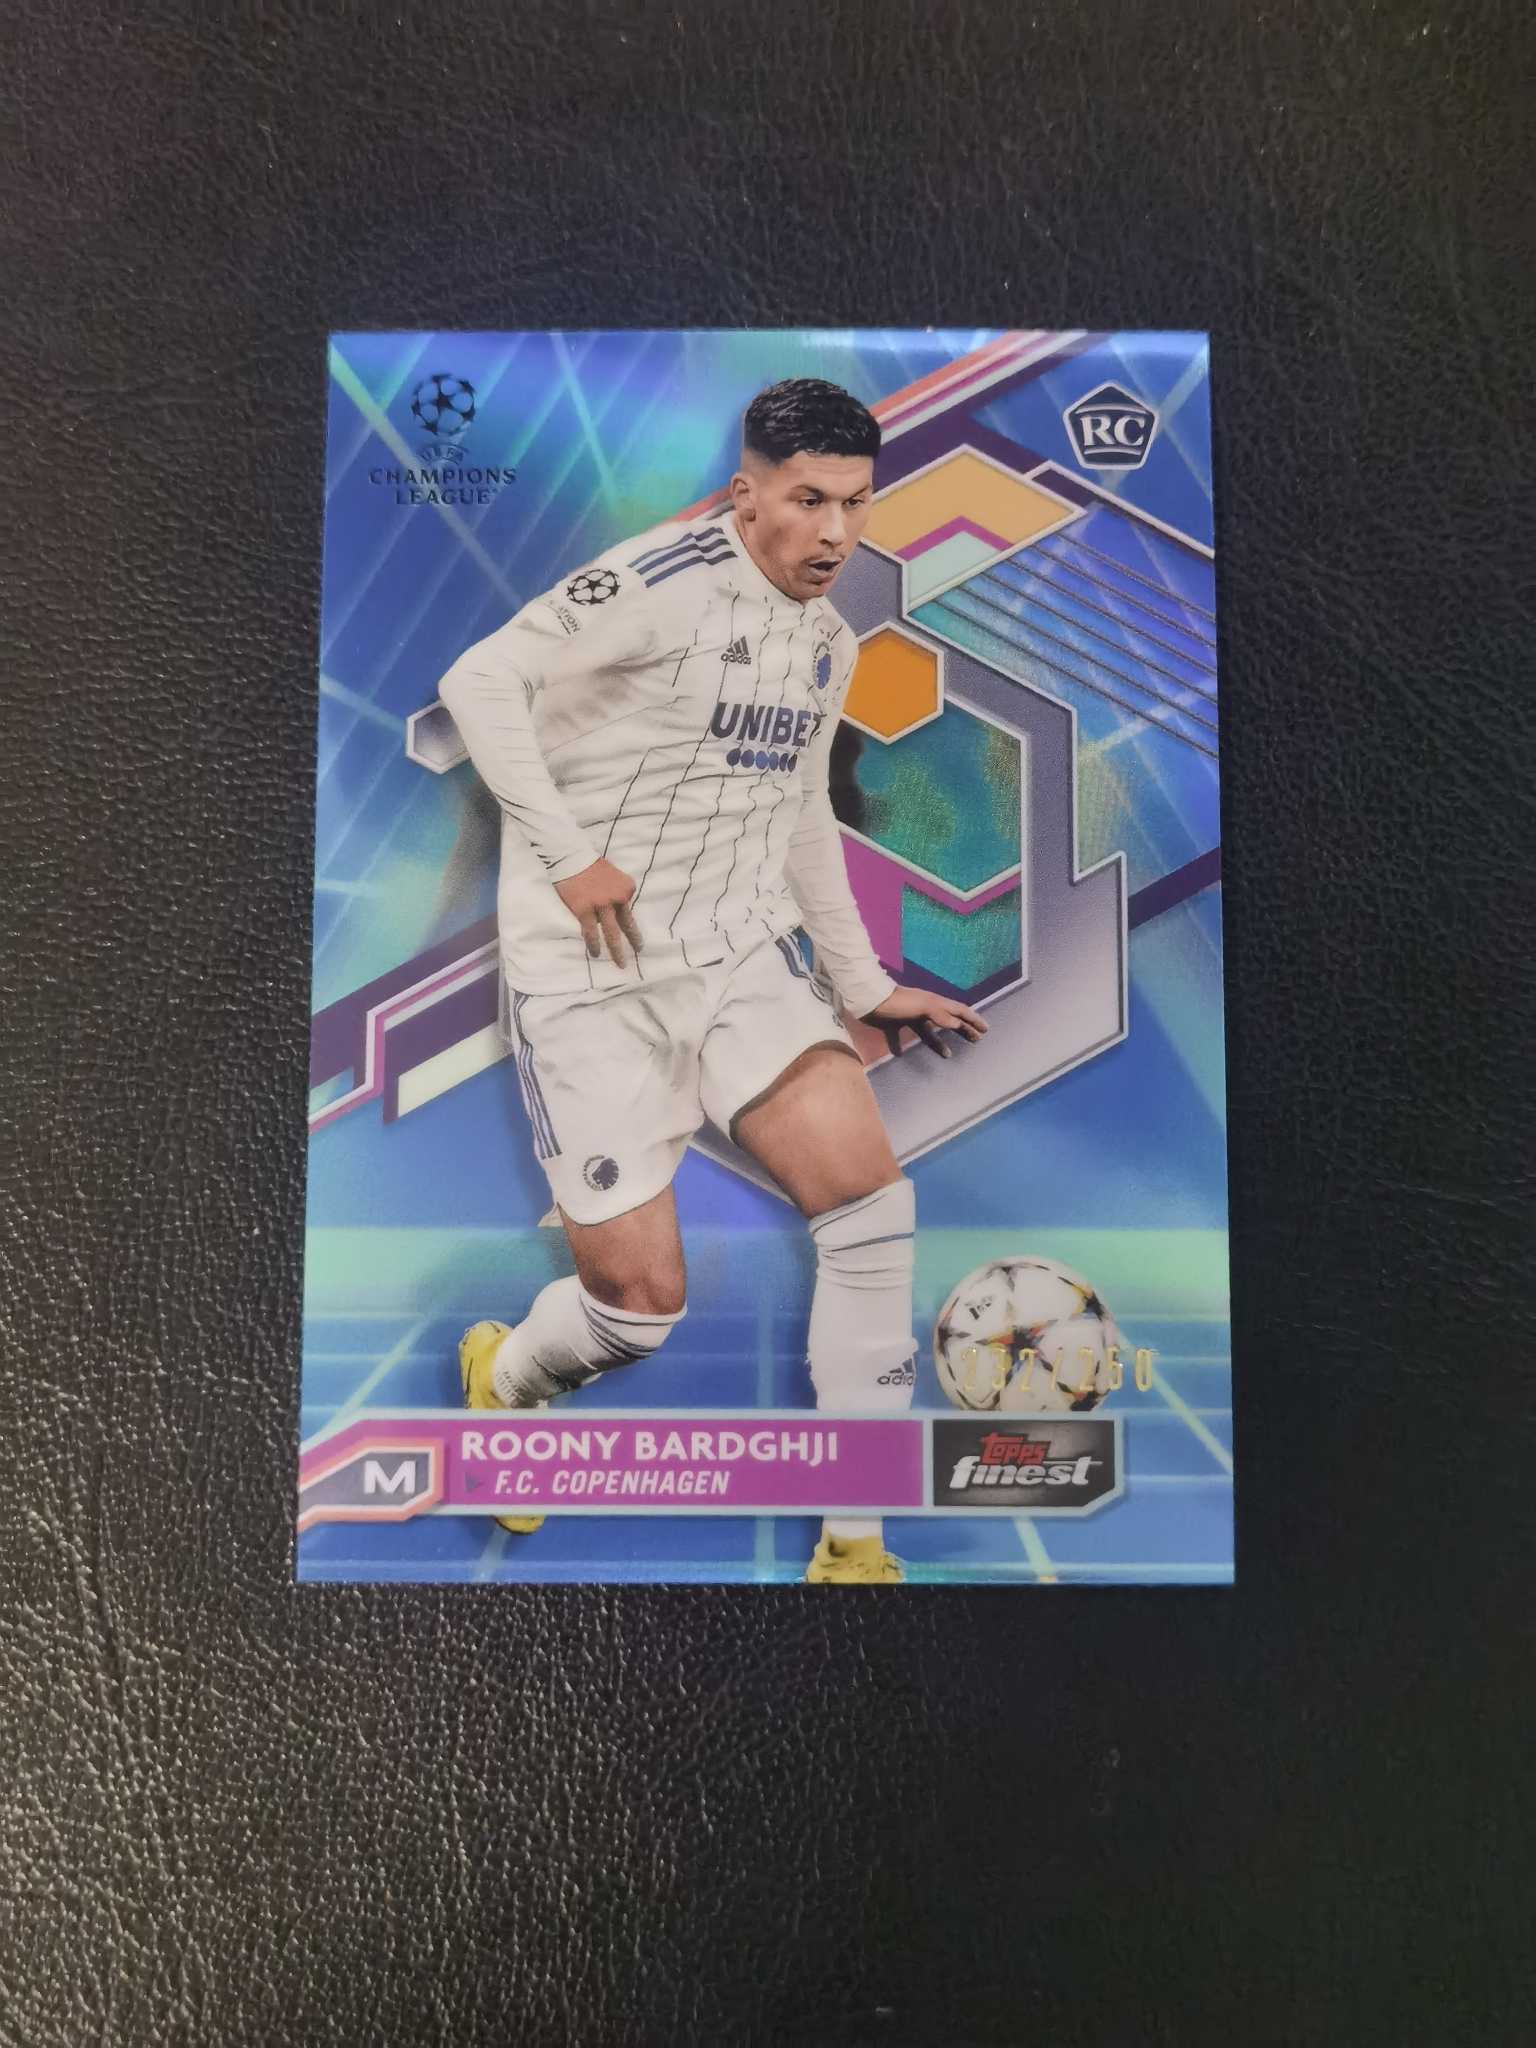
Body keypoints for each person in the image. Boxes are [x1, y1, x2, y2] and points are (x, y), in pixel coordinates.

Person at [437, 378, 986, 1583]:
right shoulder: (658, 581)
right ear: (748, 493)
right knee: (635, 1310)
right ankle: (508, 1378)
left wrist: (864, 983)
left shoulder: (829, 642)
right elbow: (480, 680)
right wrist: (570, 855)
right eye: (808, 500)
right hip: (590, 975)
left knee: (869, 1208)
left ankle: (855, 1543)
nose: (835, 532)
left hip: (740, 953)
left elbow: (801, 812)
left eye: (856, 503)